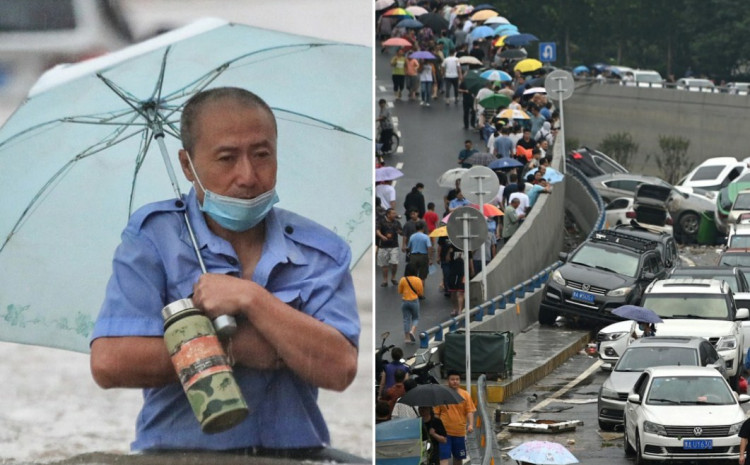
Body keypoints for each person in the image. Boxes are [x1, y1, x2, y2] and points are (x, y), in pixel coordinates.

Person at [90, 88, 360, 456]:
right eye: (227, 158)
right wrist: (238, 347)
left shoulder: (320, 251)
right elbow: (110, 362)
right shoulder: (154, 239)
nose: (248, 176)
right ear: (188, 166)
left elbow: (340, 368)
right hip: (179, 455)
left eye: (262, 155)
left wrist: (253, 299)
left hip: (295, 453)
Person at [435, 371, 476, 465]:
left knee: (458, 458)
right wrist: (436, 428)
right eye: (452, 379)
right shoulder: (442, 395)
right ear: (447, 381)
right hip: (444, 433)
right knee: (443, 457)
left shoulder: (465, 395)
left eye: (457, 379)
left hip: (459, 433)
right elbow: (436, 414)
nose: (455, 381)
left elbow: (470, 411)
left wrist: (471, 425)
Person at [377, 208, 403, 287]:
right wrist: (381, 236)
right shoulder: (381, 221)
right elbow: (377, 230)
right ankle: (385, 280)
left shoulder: (397, 223)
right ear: (388, 214)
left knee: (394, 263)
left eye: (395, 213)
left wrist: (400, 232)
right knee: (384, 265)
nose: (395, 215)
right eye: (393, 213)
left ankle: (393, 278)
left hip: (394, 246)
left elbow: (401, 232)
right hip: (383, 246)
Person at [398, 264, 423, 344]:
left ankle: (407, 338)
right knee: (415, 318)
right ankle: (412, 331)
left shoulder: (403, 279)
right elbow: (420, 292)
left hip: (405, 301)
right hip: (414, 301)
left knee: (406, 319)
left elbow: (400, 291)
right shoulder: (418, 280)